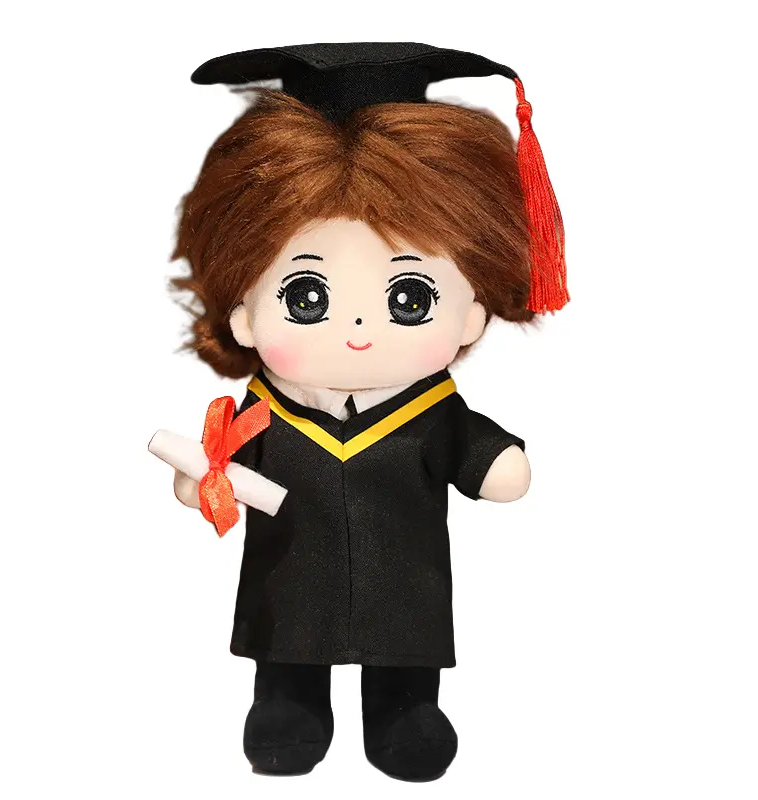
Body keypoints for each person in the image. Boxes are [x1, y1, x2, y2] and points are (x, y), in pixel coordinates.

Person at [167, 43, 567, 781]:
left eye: (408, 298)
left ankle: (403, 710)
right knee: (289, 636)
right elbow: (220, 470)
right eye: (306, 297)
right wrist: (203, 480)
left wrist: (496, 465)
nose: (357, 329)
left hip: (403, 581)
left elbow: (487, 463)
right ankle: (288, 703)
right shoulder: (262, 413)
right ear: (245, 312)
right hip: (290, 580)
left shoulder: (433, 415)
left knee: (404, 640)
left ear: (472, 313)